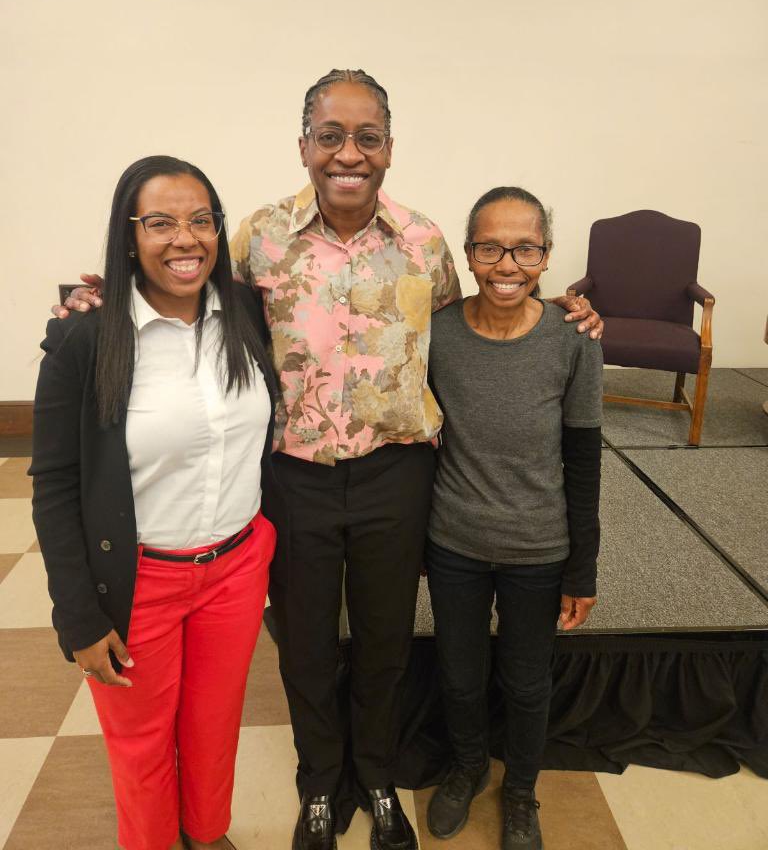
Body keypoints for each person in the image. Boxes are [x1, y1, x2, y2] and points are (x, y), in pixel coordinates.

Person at [54, 71, 603, 850]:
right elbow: (185, 286)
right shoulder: (256, 236)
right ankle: (320, 785)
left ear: (389, 147)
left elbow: (479, 320)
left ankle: (375, 778)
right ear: (304, 145)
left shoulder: (426, 243)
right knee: (307, 645)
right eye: (331, 135)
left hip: (398, 475)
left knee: (381, 643)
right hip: (291, 479)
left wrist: (567, 311)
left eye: (367, 137)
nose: (350, 152)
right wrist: (101, 297)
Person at [32, 155, 279, 850]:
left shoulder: (247, 313)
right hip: (138, 581)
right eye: (161, 222)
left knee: (212, 726)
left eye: (202, 221)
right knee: (142, 746)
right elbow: (53, 486)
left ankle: (207, 834)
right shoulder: (85, 339)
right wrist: (78, 616)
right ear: (128, 233)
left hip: (235, 568)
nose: (185, 239)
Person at [424, 187, 603, 850]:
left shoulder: (574, 340)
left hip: (539, 547)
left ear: (547, 256)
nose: (508, 262)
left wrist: (582, 567)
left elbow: (585, 461)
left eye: (525, 247)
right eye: (491, 246)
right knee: (460, 672)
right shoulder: (438, 333)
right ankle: (468, 766)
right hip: (455, 541)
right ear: (468, 254)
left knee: (527, 682)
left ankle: (522, 790)